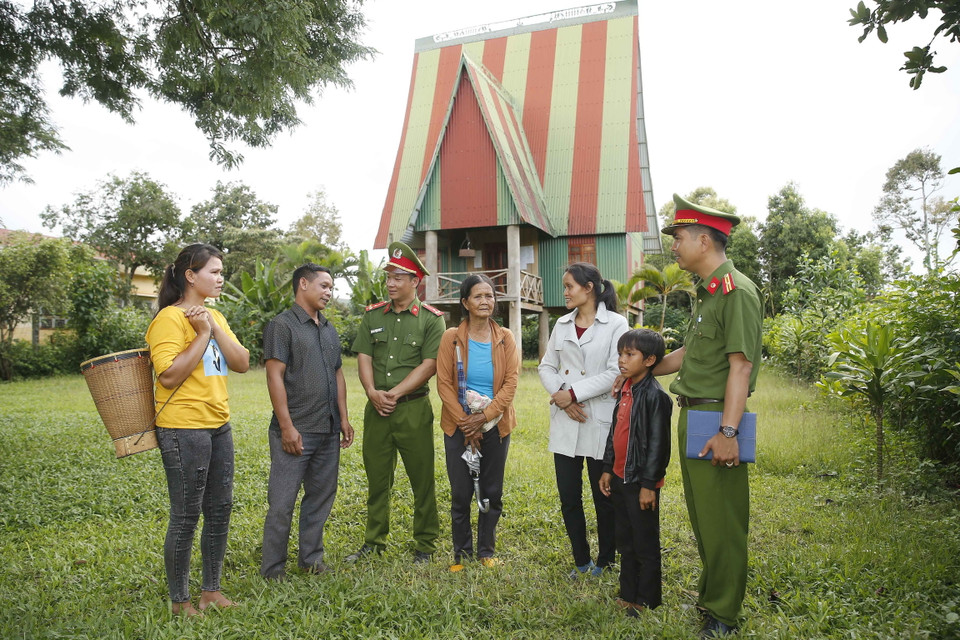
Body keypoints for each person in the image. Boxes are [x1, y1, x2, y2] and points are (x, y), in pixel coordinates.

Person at [656, 193, 763, 638]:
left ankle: (724, 614)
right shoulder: (708, 293)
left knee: (723, 521)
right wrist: (644, 368)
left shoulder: (737, 292)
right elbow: (690, 353)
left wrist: (728, 432)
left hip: (717, 418)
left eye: (679, 237)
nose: (674, 246)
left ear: (704, 240)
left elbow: (741, 367)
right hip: (693, 414)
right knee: (704, 517)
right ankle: (713, 596)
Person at [145, 243, 250, 616]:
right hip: (182, 428)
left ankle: (211, 592)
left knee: (220, 509)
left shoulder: (215, 315)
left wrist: (212, 326)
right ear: (190, 276)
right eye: (214, 272)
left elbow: (242, 362)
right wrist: (202, 334)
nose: (221, 278)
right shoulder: (169, 319)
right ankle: (180, 601)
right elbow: (169, 376)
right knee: (187, 514)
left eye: (222, 272)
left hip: (218, 425)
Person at [347, 241, 446, 564]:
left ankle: (425, 544)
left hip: (413, 409)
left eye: (398, 277)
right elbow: (364, 356)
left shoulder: (431, 320)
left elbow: (430, 364)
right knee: (377, 479)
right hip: (376, 409)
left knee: (422, 478)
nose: (390, 283)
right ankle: (374, 542)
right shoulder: (373, 315)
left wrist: (395, 393)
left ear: (415, 281)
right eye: (389, 277)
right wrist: (372, 392)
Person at [260, 263, 354, 581]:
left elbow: (338, 374)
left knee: (320, 497)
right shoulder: (282, 326)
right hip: (296, 430)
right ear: (303, 284)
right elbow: (274, 376)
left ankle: (311, 560)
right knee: (282, 503)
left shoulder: (328, 328)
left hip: (327, 429)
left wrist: (343, 418)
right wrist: (287, 427)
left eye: (331, 288)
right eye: (324, 286)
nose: (329, 292)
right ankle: (273, 570)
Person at [538, 262, 628, 578]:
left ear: (588, 288)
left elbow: (616, 371)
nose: (564, 292)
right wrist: (563, 397)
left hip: (597, 419)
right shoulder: (562, 324)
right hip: (567, 419)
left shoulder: (616, 324)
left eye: (569, 286)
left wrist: (572, 394)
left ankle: (605, 560)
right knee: (569, 498)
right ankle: (580, 560)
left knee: (604, 496)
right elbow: (546, 366)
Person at [435, 274, 520, 571]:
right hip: (458, 425)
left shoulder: (505, 337)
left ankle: (486, 551)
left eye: (489, 296)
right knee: (461, 493)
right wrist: (466, 423)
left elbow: (511, 384)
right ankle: (461, 554)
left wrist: (483, 418)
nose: (485, 301)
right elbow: (444, 383)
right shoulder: (451, 337)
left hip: (496, 424)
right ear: (465, 302)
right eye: (478, 296)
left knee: (491, 490)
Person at [599, 329, 672, 617]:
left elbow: (658, 446)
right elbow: (614, 432)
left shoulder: (656, 397)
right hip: (620, 478)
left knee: (645, 542)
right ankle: (628, 594)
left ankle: (647, 599)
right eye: (620, 354)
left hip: (641, 483)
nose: (622, 360)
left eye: (630, 355)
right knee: (625, 540)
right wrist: (608, 468)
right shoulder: (625, 390)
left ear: (650, 360)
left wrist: (649, 484)